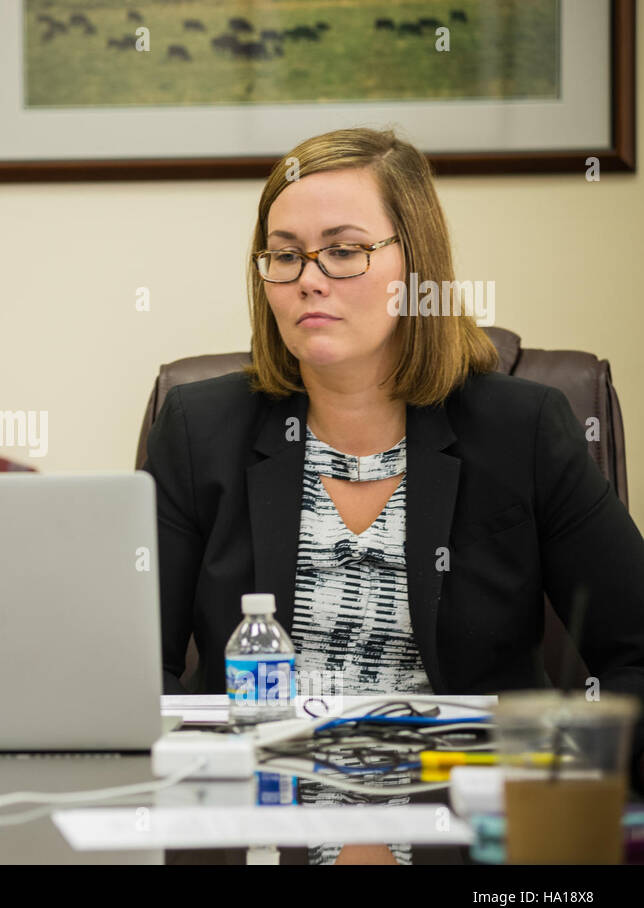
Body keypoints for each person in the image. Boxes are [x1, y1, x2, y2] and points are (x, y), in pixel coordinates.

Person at [142, 126, 644, 862]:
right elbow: (134, 670)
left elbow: (636, 654)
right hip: (260, 830)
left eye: (344, 250)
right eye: (285, 254)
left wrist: (546, 786)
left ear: (416, 266)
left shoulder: (522, 429)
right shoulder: (199, 428)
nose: (309, 278)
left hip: (466, 836)